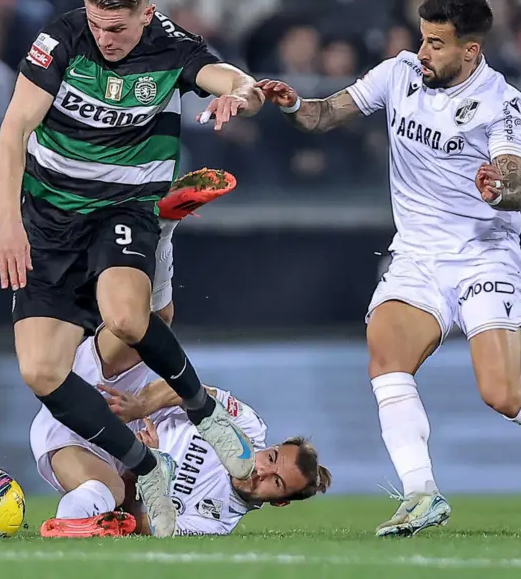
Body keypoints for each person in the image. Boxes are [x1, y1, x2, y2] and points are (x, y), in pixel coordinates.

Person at [255, 0, 521, 537]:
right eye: (422, 39)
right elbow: (325, 114)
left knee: (501, 393)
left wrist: (498, 187)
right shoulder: (398, 74)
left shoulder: (501, 101)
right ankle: (422, 494)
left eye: (436, 44)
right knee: (386, 358)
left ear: (470, 50)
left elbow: (517, 183)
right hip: (418, 256)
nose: (422, 53)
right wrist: (291, 105)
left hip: (483, 256)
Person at [0, 0, 265, 538]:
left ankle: (205, 413)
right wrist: (7, 224)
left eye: (116, 27)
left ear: (147, 13)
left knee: (126, 316)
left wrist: (241, 95)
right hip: (48, 222)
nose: (104, 37)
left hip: (123, 208)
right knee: (41, 371)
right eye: (96, 23)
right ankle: (146, 467)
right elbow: (13, 130)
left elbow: (234, 80)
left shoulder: (172, 47)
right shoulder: (61, 41)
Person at [31, 169, 332, 538]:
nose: (261, 472)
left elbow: (138, 524)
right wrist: (141, 405)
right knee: (153, 323)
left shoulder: (216, 522)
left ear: (280, 502)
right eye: (270, 459)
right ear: (270, 447)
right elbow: (192, 393)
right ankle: (161, 225)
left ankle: (63, 530)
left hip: (92, 451)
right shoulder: (248, 429)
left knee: (105, 493)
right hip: (114, 395)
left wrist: (145, 467)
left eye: (276, 482)